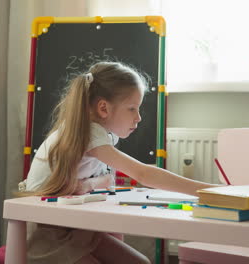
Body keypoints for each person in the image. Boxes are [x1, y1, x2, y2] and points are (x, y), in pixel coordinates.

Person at [19, 61, 219, 264]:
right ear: (103, 108)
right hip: (45, 235)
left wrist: (88, 184)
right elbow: (142, 174)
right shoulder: (90, 132)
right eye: (132, 109)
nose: (139, 118)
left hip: (73, 227)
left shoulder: (104, 134)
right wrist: (211, 191)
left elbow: (110, 178)